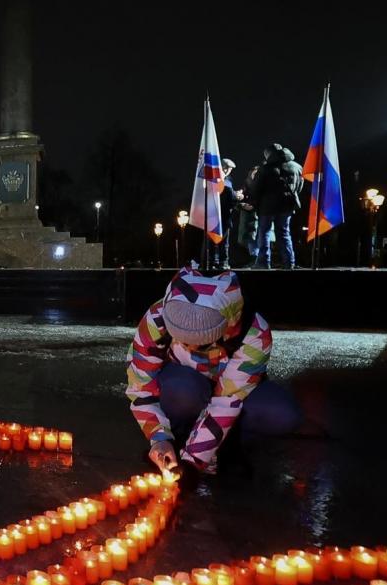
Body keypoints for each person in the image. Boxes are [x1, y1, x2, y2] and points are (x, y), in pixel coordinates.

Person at [126, 267, 300, 481]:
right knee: (180, 392)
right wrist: (159, 438)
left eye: (199, 343)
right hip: (188, 385)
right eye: (178, 338)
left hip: (232, 391)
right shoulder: (157, 318)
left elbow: (226, 402)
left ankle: (231, 447)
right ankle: (179, 436)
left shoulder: (254, 332)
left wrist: (192, 463)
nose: (187, 347)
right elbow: (141, 385)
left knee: (281, 414)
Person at [250, 143, 304, 269]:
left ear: (268, 154)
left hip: (267, 207)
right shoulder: (297, 167)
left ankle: (263, 262)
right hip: (287, 206)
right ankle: (289, 262)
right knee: (284, 233)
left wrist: (254, 202)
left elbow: (256, 188)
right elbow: (299, 188)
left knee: (264, 233)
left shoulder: (265, 168)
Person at [212, 158, 240, 270]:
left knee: (219, 240)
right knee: (221, 240)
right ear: (224, 168)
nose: (230, 171)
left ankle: (216, 261)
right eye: (229, 169)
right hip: (221, 214)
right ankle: (221, 262)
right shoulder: (222, 180)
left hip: (218, 214)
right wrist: (236, 197)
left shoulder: (225, 179)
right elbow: (227, 195)